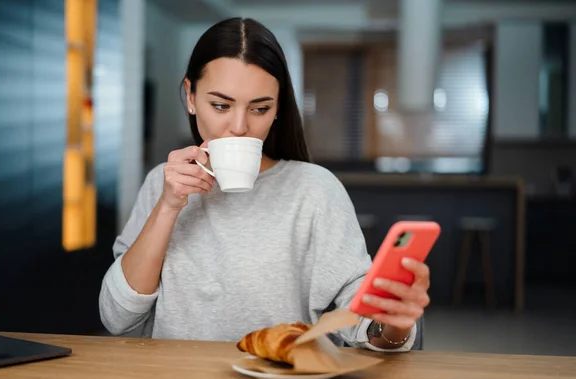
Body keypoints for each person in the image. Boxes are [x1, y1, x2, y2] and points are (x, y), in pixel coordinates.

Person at [99, 17, 431, 352]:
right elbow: (117, 319)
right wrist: (168, 206)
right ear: (190, 96)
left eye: (259, 108)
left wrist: (394, 322)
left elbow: (364, 321)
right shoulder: (162, 182)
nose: (240, 126)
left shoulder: (314, 190)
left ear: (277, 109)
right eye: (220, 105)